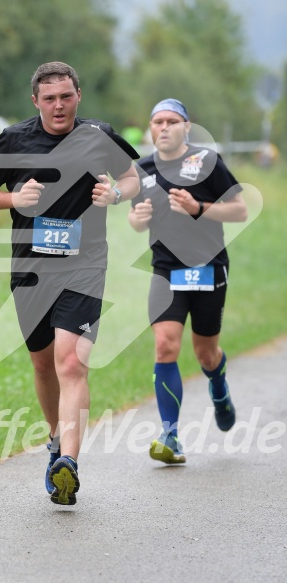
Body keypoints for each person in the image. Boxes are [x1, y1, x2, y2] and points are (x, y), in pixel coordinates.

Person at [0, 62, 140, 504]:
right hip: (30, 270)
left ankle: (69, 461)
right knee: (44, 364)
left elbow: (133, 177)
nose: (59, 105)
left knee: (71, 362)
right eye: (50, 98)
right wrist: (13, 198)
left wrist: (117, 194)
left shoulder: (99, 134)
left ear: (78, 95)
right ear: (36, 102)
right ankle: (54, 442)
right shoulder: (14, 139)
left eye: (66, 96)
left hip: (85, 266)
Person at [128, 98, 248, 464]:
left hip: (209, 267)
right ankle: (170, 435)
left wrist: (200, 209)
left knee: (205, 353)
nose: (163, 128)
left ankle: (218, 386)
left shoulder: (207, 162)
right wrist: (140, 218)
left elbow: (240, 209)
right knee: (165, 345)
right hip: (166, 269)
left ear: (187, 127)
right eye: (157, 122)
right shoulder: (141, 168)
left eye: (171, 121)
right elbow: (134, 220)